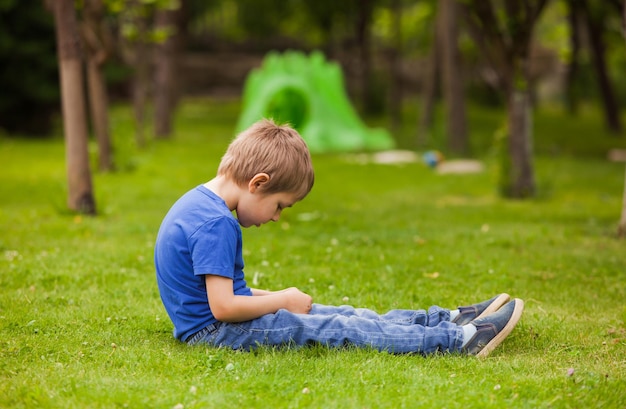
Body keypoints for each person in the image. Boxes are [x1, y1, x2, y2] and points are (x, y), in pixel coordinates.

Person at [155, 119, 524, 357]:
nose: (277, 217)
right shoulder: (217, 223)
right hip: (217, 334)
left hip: (214, 326)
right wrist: (282, 298)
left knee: (341, 313)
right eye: (280, 205)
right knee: (336, 327)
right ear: (258, 183)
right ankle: (455, 341)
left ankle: (441, 319)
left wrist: (280, 299)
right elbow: (223, 308)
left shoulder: (200, 204)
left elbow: (227, 296)